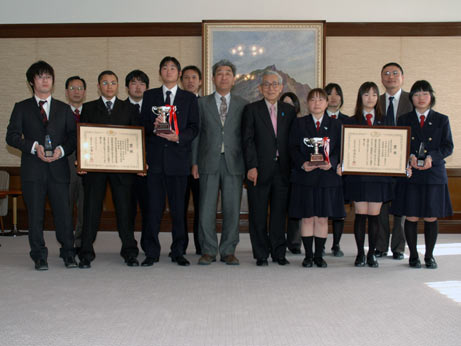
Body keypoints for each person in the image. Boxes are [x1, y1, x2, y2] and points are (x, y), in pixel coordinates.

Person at [6, 60, 76, 270]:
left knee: (64, 214)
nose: (45, 80)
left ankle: (68, 253)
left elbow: (73, 137)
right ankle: (39, 255)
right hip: (32, 170)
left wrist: (61, 150)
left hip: (58, 169)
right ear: (31, 82)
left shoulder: (64, 109)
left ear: (53, 81)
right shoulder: (22, 107)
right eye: (40, 77)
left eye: (48, 77)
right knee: (35, 215)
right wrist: (33, 146)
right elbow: (11, 137)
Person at [78, 70, 140, 269]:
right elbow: (83, 138)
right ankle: (86, 251)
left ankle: (129, 251)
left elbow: (137, 139)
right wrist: (81, 161)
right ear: (98, 86)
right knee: (91, 210)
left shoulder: (128, 108)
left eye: (113, 82)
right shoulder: (88, 108)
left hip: (122, 169)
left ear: (118, 86)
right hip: (95, 169)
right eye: (105, 83)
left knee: (125, 211)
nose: (109, 86)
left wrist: (140, 161)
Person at [141, 56, 199, 267]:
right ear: (160, 72)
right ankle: (151, 251)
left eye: (172, 68)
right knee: (153, 209)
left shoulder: (189, 98)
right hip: (155, 161)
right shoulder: (150, 96)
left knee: (178, 210)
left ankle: (178, 251)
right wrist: (154, 126)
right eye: (164, 67)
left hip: (178, 161)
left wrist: (178, 136)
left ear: (179, 73)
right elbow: (143, 127)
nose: (168, 71)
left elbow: (194, 128)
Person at [391, 80, 453, 269]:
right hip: (412, 174)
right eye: (417, 94)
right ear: (412, 98)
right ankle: (413, 256)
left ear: (431, 97)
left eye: (425, 93)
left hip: (433, 174)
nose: (421, 98)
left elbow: (448, 146)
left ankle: (429, 256)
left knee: (430, 217)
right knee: (411, 216)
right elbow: (398, 144)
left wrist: (432, 158)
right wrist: (408, 155)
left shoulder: (442, 119)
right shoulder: (403, 119)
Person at [191, 60, 247, 265]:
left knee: (232, 208)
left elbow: (246, 137)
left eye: (228, 73)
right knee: (206, 208)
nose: (224, 77)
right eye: (220, 73)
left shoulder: (243, 104)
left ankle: (228, 250)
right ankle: (208, 249)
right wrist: (194, 162)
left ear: (234, 79)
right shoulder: (201, 103)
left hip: (234, 162)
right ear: (213, 78)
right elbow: (196, 135)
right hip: (207, 161)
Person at [242, 70, 296, 266]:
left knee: (279, 213)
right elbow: (247, 141)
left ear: (281, 88)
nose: (271, 88)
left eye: (275, 84)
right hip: (259, 170)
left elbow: (292, 142)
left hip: (282, 170)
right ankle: (261, 253)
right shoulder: (252, 110)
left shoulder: (289, 111)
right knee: (257, 213)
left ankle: (279, 252)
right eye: (266, 84)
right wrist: (251, 166)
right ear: (260, 88)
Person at [289, 88, 345, 268]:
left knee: (322, 218)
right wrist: (302, 163)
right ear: (307, 103)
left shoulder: (336, 125)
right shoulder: (299, 123)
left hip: (327, 178)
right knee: (307, 218)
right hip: (305, 177)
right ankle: (308, 256)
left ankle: (319, 256)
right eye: (313, 100)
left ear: (327, 103)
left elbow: (340, 149)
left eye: (321, 99)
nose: (317, 103)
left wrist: (333, 161)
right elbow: (292, 148)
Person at [342, 81, 393, 268]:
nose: (370, 98)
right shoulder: (351, 120)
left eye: (373, 94)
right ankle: (359, 254)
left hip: (379, 177)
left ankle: (372, 253)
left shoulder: (386, 119)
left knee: (375, 215)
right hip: (358, 177)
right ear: (360, 97)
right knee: (360, 215)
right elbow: (345, 148)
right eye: (366, 94)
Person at [376, 62, 413, 260]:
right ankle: (380, 245)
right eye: (386, 74)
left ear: (402, 77)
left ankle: (399, 247)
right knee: (381, 205)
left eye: (395, 73)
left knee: (402, 206)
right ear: (382, 78)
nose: (391, 77)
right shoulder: (377, 101)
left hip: (404, 162)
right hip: (380, 161)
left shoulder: (412, 99)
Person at [324, 83, 351, 257]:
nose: (334, 97)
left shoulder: (349, 120)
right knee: (321, 209)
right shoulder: (316, 119)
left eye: (337, 94)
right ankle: (319, 245)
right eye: (329, 94)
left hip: (342, 172)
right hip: (322, 171)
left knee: (339, 210)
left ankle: (336, 244)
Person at [180, 65, 202, 255]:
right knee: (180, 206)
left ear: (200, 82)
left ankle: (201, 245)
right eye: (186, 77)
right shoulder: (174, 103)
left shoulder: (205, 104)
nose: (190, 81)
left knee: (201, 206)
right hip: (178, 162)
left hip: (200, 165)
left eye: (194, 77)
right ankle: (180, 246)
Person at [125, 70, 149, 238]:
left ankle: (148, 245)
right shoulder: (119, 108)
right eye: (134, 83)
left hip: (149, 168)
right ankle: (129, 245)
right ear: (127, 87)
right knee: (127, 208)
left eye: (142, 83)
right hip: (125, 168)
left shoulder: (154, 109)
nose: (138, 87)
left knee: (149, 208)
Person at [65, 76, 86, 251]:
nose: (77, 91)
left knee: (85, 205)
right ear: (66, 92)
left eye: (80, 88)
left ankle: (80, 242)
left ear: (85, 92)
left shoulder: (91, 111)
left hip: (88, 162)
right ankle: (66, 242)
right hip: (67, 162)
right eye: (72, 88)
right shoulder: (60, 111)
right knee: (66, 204)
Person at [280, 91, 302, 255]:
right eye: (284, 104)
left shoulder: (301, 123)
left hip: (296, 169)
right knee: (279, 208)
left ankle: (294, 242)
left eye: (291, 104)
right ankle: (278, 239)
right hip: (279, 168)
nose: (288, 107)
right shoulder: (275, 121)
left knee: (295, 207)